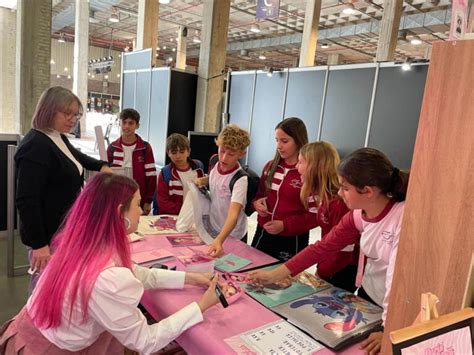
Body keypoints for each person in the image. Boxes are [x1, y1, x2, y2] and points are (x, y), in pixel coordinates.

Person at [0, 173, 219, 354]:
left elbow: (137, 273)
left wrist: (190, 278)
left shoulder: (86, 242)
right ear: (119, 213)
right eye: (136, 204)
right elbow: (145, 341)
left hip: (31, 331)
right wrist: (200, 306)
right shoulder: (108, 276)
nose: (142, 211)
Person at [249, 147, 409, 354]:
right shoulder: (359, 214)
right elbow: (322, 247)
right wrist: (275, 274)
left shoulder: (401, 218)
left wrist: (388, 329)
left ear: (368, 191)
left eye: (345, 188)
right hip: (370, 297)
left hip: (393, 309)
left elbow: (397, 279)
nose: (340, 194)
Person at [15, 86, 112, 293]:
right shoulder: (36, 144)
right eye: (67, 113)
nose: (72, 119)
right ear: (49, 110)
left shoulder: (57, 136)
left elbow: (77, 157)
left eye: (75, 114)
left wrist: (101, 165)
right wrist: (40, 245)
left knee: (56, 288)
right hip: (47, 236)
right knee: (43, 290)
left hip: (62, 229)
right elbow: (26, 200)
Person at [297, 142, 358, 292]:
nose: (296, 167)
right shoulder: (324, 197)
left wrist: (322, 272)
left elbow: (343, 252)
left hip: (342, 268)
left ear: (314, 166)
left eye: (300, 162)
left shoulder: (339, 203)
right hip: (330, 263)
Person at [251, 117, 313, 261]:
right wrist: (256, 204)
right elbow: (259, 195)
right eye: (276, 140)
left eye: (284, 141)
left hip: (292, 238)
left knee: (285, 281)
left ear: (299, 141)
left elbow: (314, 215)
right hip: (263, 231)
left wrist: (285, 225)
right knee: (253, 273)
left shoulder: (307, 172)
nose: (279, 146)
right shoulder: (270, 166)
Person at [195, 124, 251, 257]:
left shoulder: (240, 180)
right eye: (222, 151)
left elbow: (233, 215)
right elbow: (217, 179)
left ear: (242, 154)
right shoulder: (215, 161)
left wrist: (219, 239)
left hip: (232, 234)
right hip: (214, 227)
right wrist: (204, 180)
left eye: (231, 154)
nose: (224, 158)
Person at [107, 108, 157, 215]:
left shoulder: (145, 148)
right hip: (116, 197)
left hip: (139, 197)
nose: (126, 126)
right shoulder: (112, 147)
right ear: (119, 123)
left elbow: (151, 176)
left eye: (131, 123)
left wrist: (148, 200)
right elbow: (106, 175)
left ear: (137, 125)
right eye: (124, 122)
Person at [155, 133, 204, 215]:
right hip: (172, 217)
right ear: (168, 153)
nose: (178, 156)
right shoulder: (165, 174)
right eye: (174, 153)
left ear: (188, 151)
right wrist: (185, 209)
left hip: (194, 215)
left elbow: (203, 195)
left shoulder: (198, 169)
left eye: (182, 152)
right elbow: (163, 203)